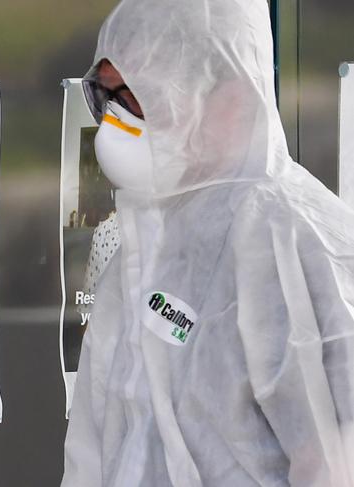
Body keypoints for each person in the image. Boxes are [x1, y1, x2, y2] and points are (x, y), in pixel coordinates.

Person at [62, 0, 354, 485]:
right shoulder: (143, 247)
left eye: (135, 98)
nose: (114, 123)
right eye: (105, 96)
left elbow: (336, 458)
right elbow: (93, 452)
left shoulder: (298, 242)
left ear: (229, 97)